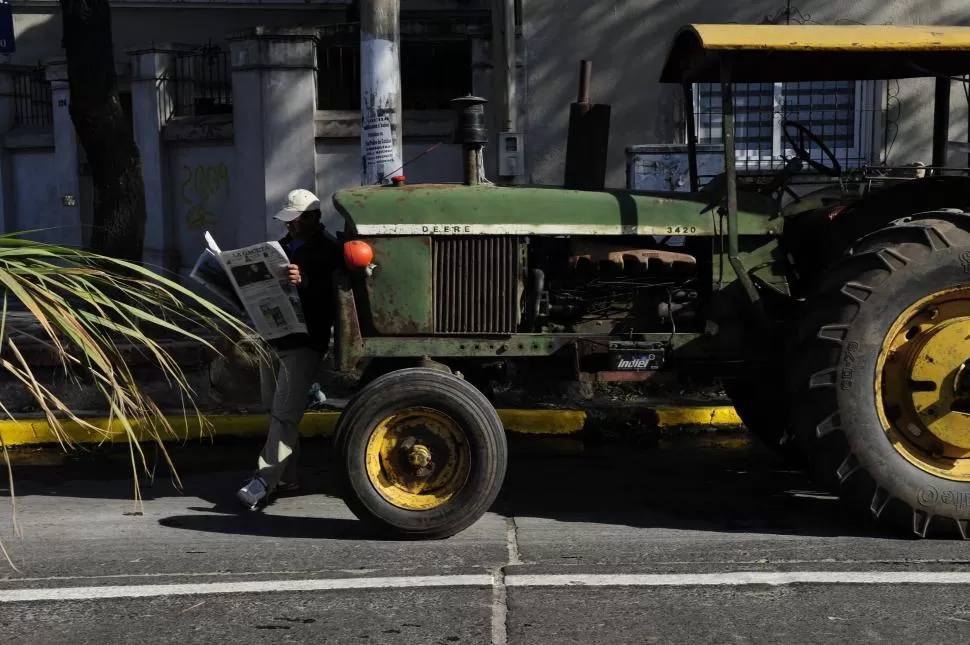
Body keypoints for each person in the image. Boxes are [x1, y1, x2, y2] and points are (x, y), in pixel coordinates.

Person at [236, 188, 343, 509]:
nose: (288, 227)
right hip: (274, 338)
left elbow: (336, 302)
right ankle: (287, 478)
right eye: (286, 221)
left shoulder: (329, 251)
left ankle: (262, 482)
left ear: (313, 218)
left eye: (294, 221)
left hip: (304, 342)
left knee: (284, 414)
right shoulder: (281, 247)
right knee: (276, 411)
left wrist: (306, 282)